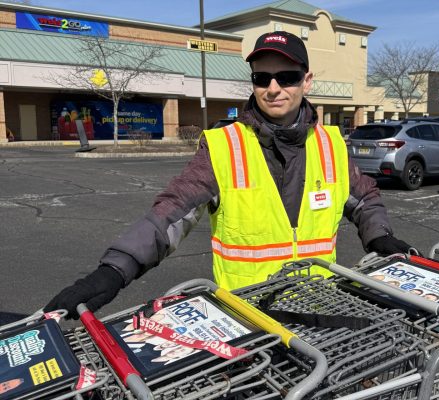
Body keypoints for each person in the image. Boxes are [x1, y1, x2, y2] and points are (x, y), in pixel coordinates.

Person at [44, 31, 418, 319]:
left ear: (307, 81)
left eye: (286, 76)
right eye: (262, 77)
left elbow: (365, 197)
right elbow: (171, 213)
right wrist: (114, 270)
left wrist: (379, 235)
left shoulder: (331, 144)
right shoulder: (224, 147)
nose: (273, 88)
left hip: (317, 314)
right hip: (246, 319)